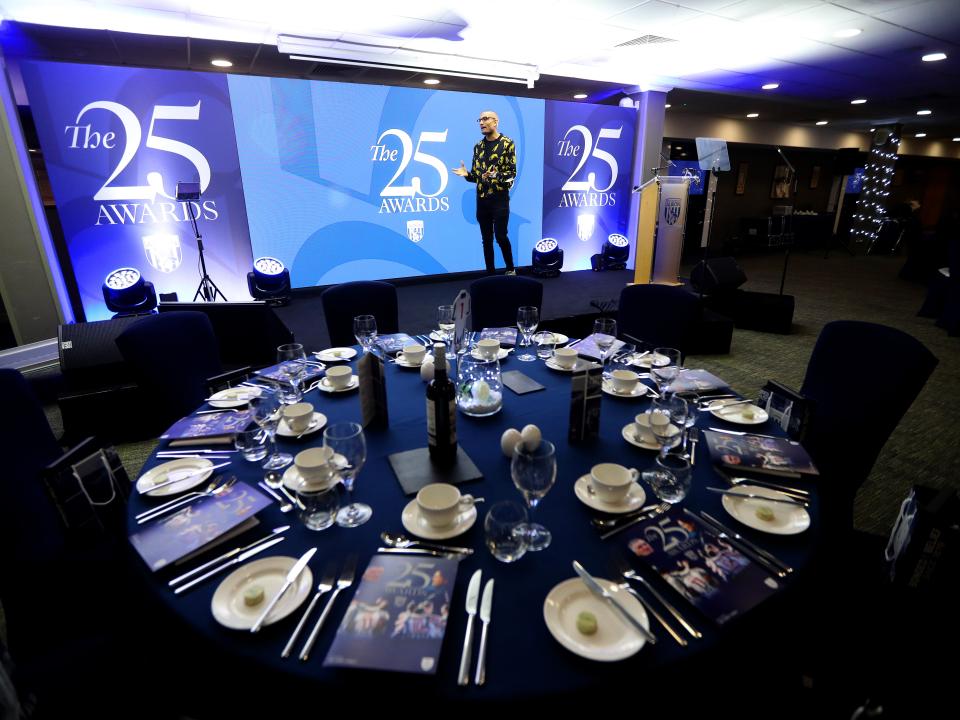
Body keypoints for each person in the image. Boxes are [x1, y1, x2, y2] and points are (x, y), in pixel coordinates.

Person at [453, 110, 517, 275]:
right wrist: (467, 174)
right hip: (482, 200)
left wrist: (495, 174)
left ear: (496, 122)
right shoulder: (478, 146)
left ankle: (510, 270)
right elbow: (477, 177)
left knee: (501, 236)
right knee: (486, 240)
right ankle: (490, 275)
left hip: (499, 199)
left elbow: (511, 174)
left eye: (485, 119)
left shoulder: (507, 143)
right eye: (479, 120)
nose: (481, 122)